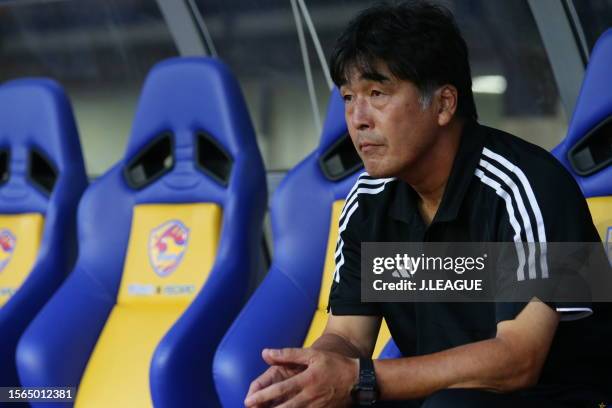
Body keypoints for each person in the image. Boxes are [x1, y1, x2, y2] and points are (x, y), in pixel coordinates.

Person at [244, 1, 611, 407]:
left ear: (443, 104)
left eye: (377, 93)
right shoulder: (367, 203)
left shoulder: (530, 185)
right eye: (348, 98)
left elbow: (519, 360)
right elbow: (349, 335)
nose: (357, 118)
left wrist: (359, 377)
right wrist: (312, 372)